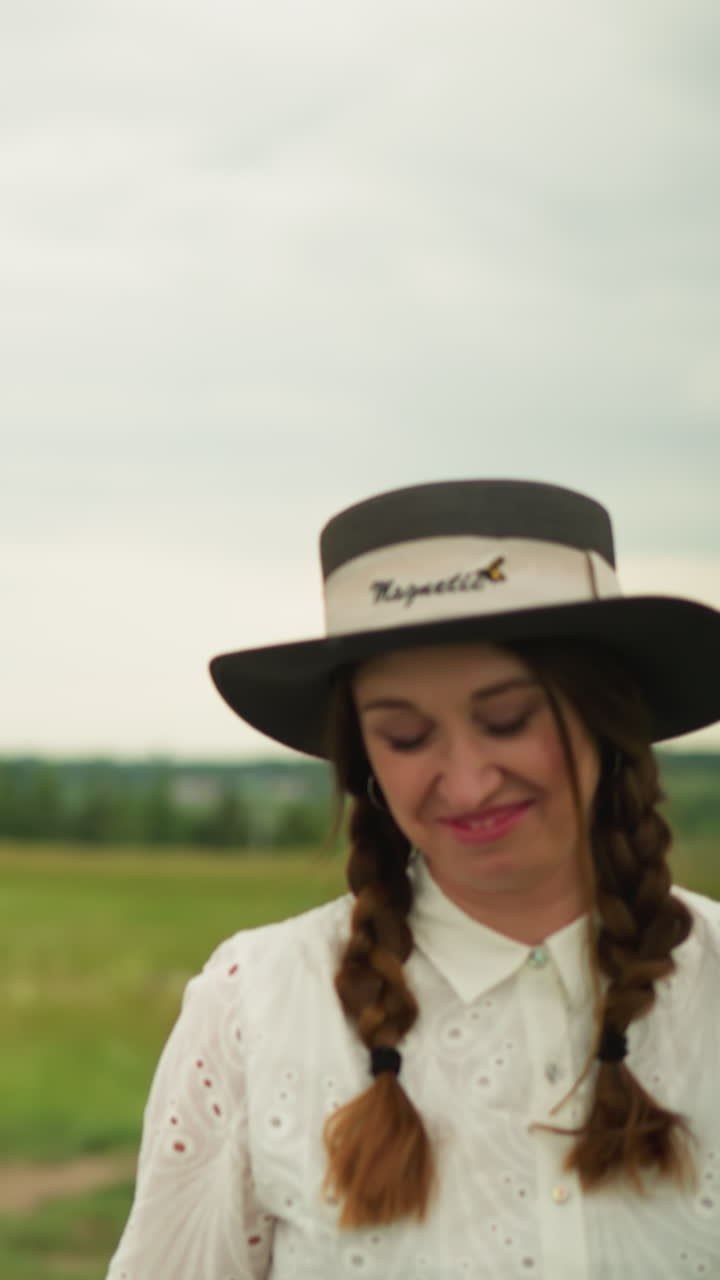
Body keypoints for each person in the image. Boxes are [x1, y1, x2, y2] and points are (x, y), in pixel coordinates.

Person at [106, 479, 720, 1279]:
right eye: (404, 735)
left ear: (608, 715)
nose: (465, 783)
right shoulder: (253, 1008)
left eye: (508, 720)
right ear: (362, 755)